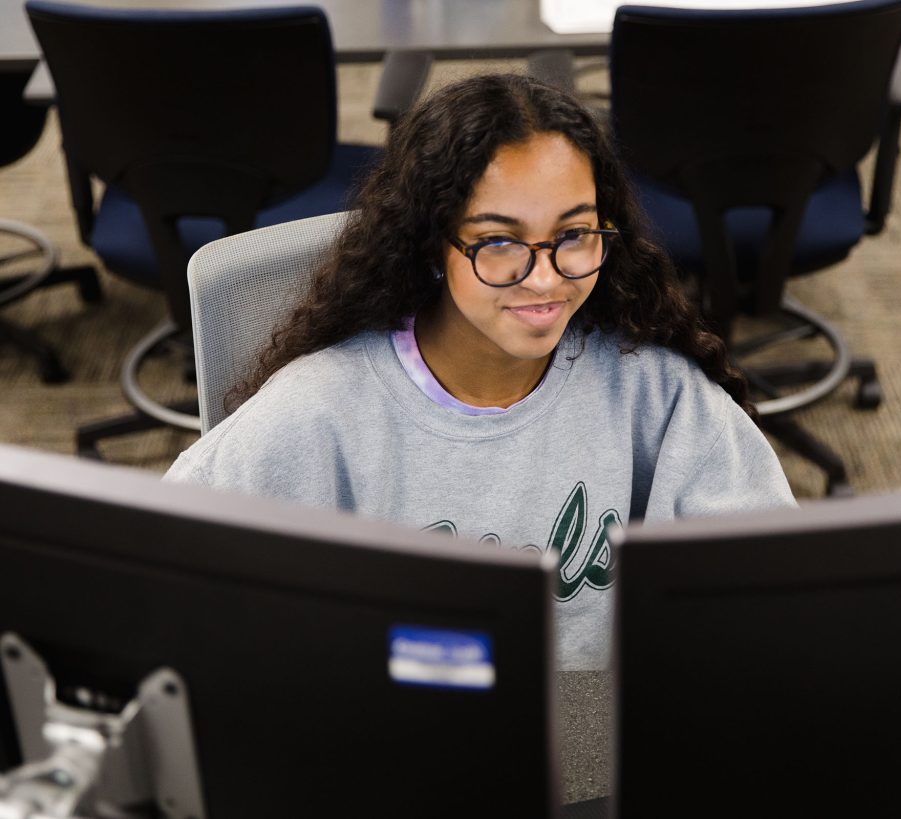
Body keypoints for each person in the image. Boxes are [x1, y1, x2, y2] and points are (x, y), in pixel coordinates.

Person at [164, 73, 796, 669]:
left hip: (600, 748)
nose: (545, 278)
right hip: (390, 755)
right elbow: (167, 580)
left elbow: (770, 602)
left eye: (574, 234)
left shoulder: (656, 394)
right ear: (432, 245)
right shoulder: (317, 411)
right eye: (499, 243)